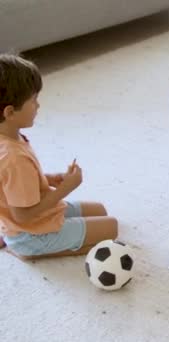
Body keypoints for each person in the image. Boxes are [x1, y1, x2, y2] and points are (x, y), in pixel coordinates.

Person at [0, 54, 118, 259]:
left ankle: (22, 244)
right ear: (10, 112)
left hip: (33, 218)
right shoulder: (13, 158)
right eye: (34, 100)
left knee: (101, 209)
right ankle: (28, 251)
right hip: (30, 232)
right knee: (112, 229)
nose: (38, 106)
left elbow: (11, 186)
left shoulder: (10, 137)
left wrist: (47, 178)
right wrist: (65, 189)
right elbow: (23, 215)